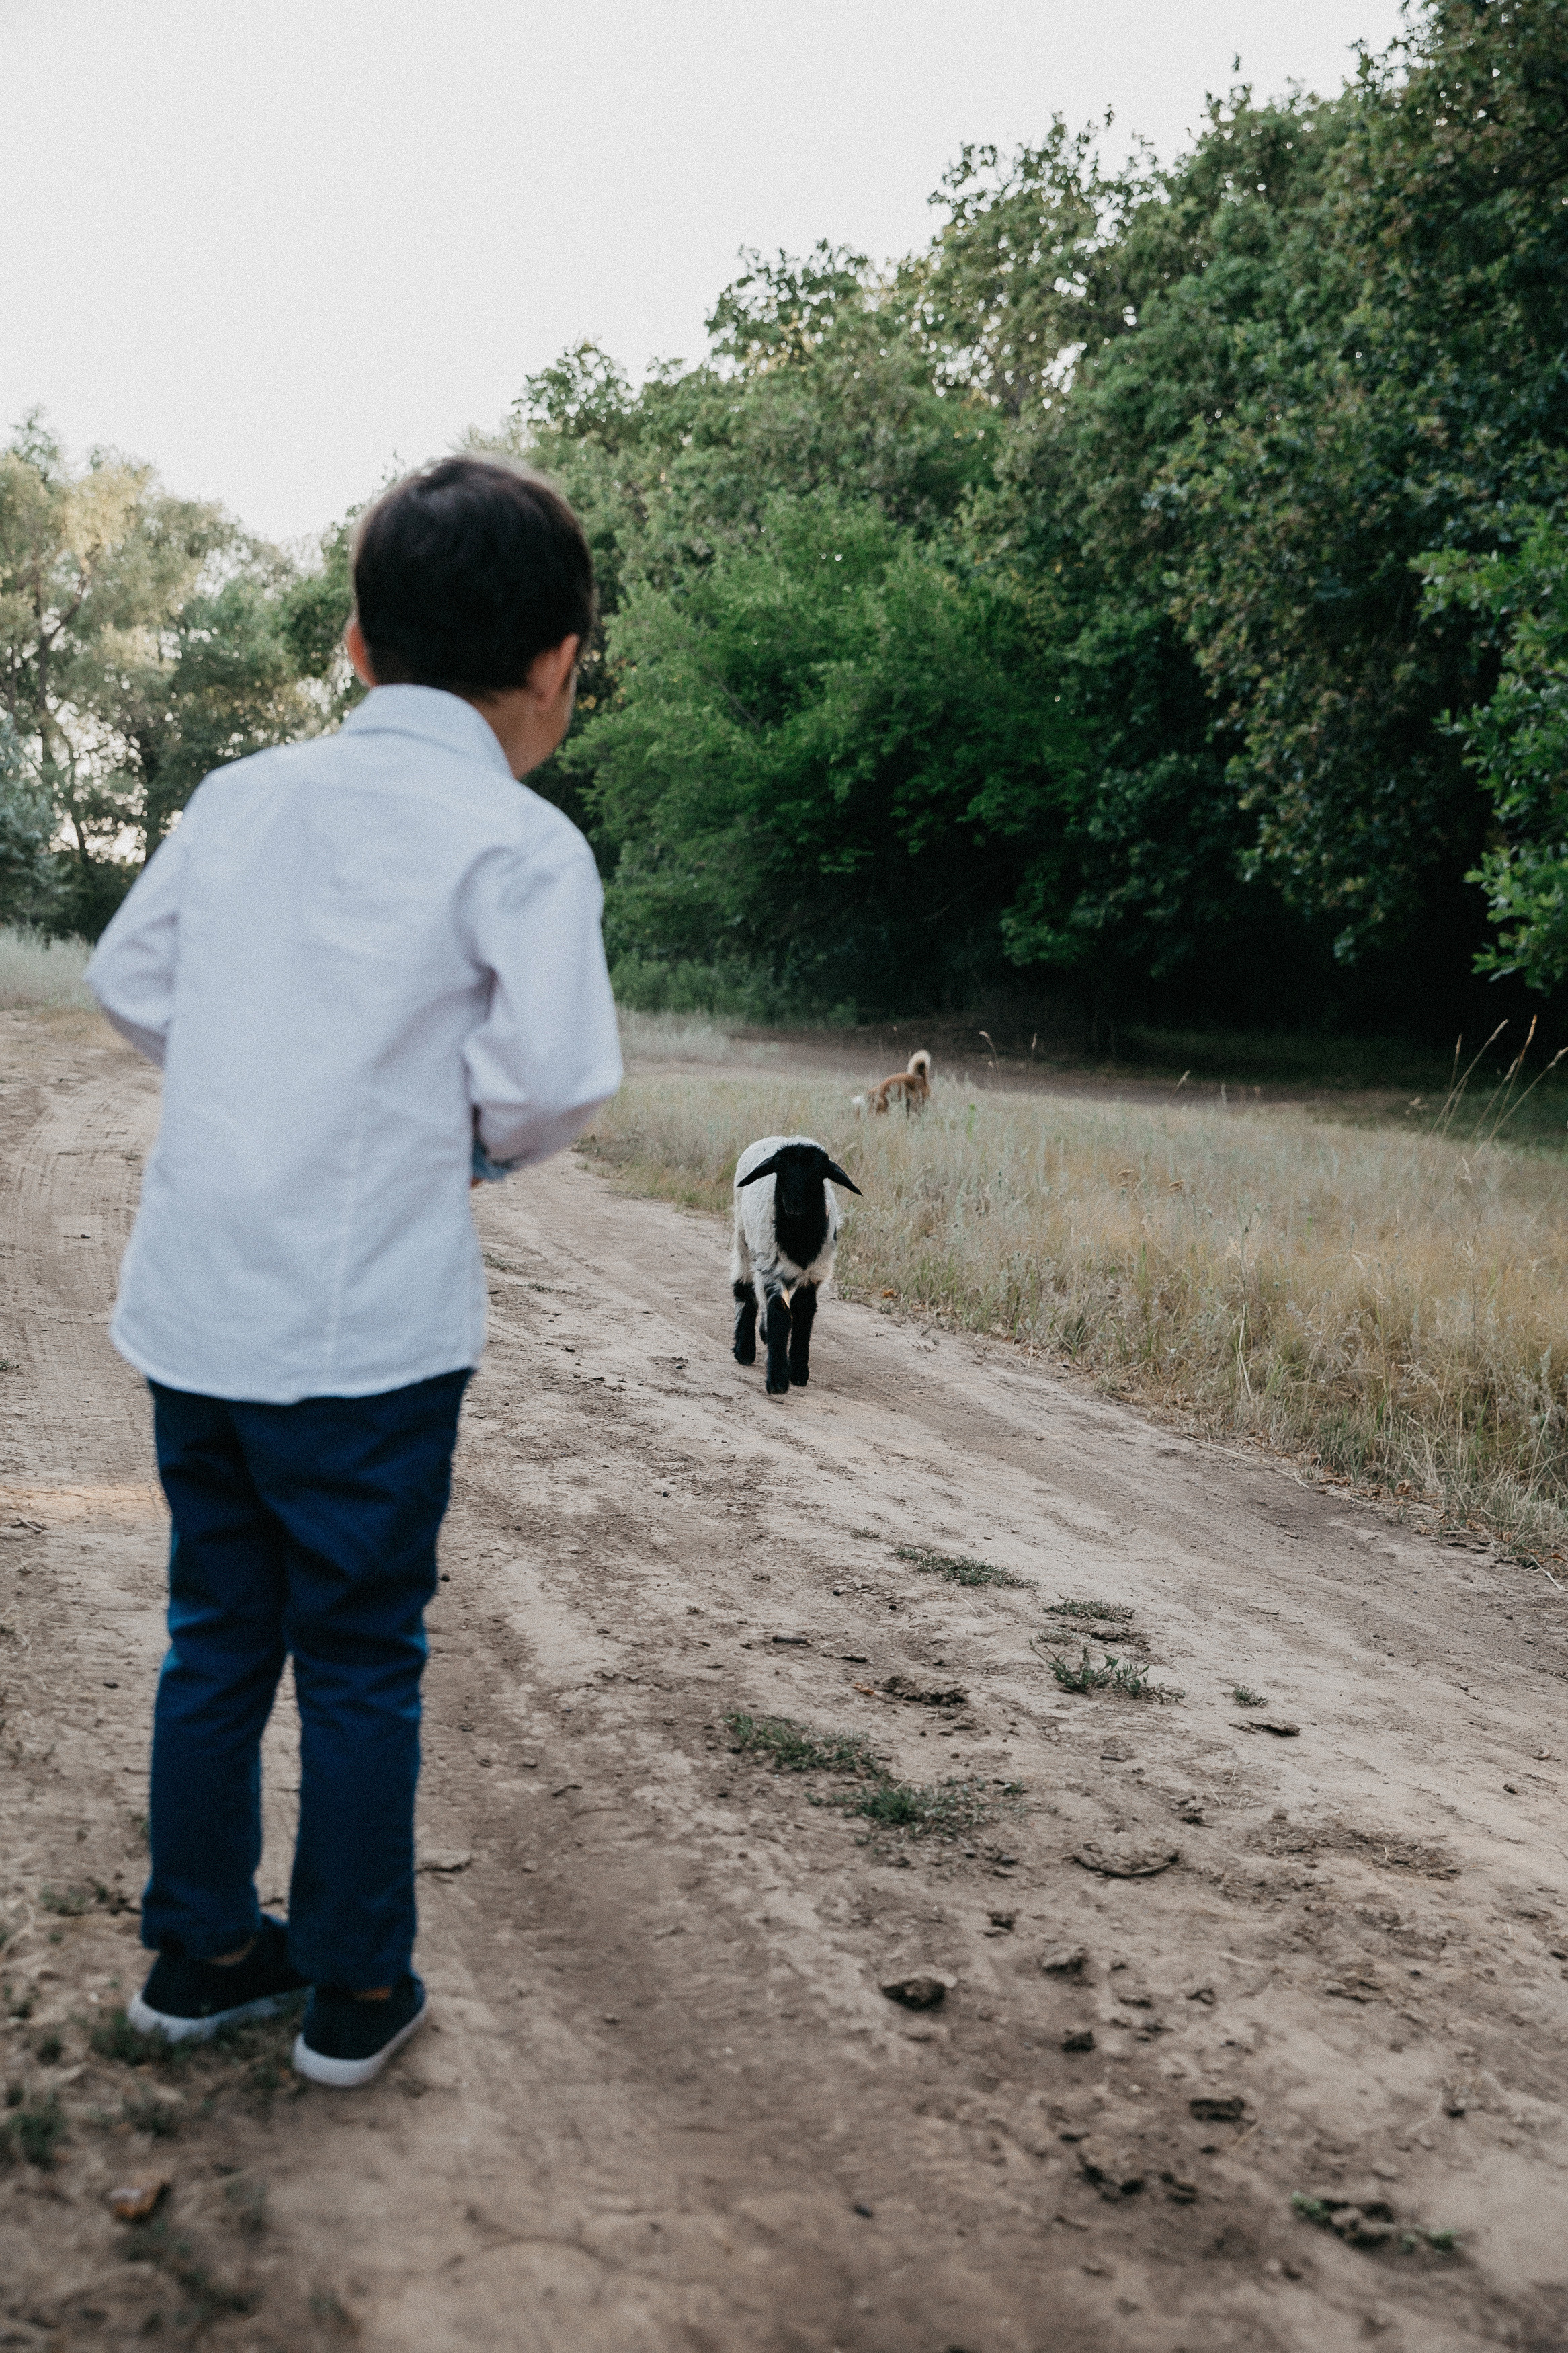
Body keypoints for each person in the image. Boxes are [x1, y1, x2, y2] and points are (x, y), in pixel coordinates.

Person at [85, 455, 622, 2087]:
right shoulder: (520, 844)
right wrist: (466, 1145)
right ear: (558, 665)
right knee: (363, 1658)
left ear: (356, 644)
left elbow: (130, 977)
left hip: (199, 1318)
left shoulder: (243, 797)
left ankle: (197, 1958)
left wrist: (258, 1069)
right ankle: (353, 1986)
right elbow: (554, 1082)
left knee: (216, 1633)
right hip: (370, 1339)